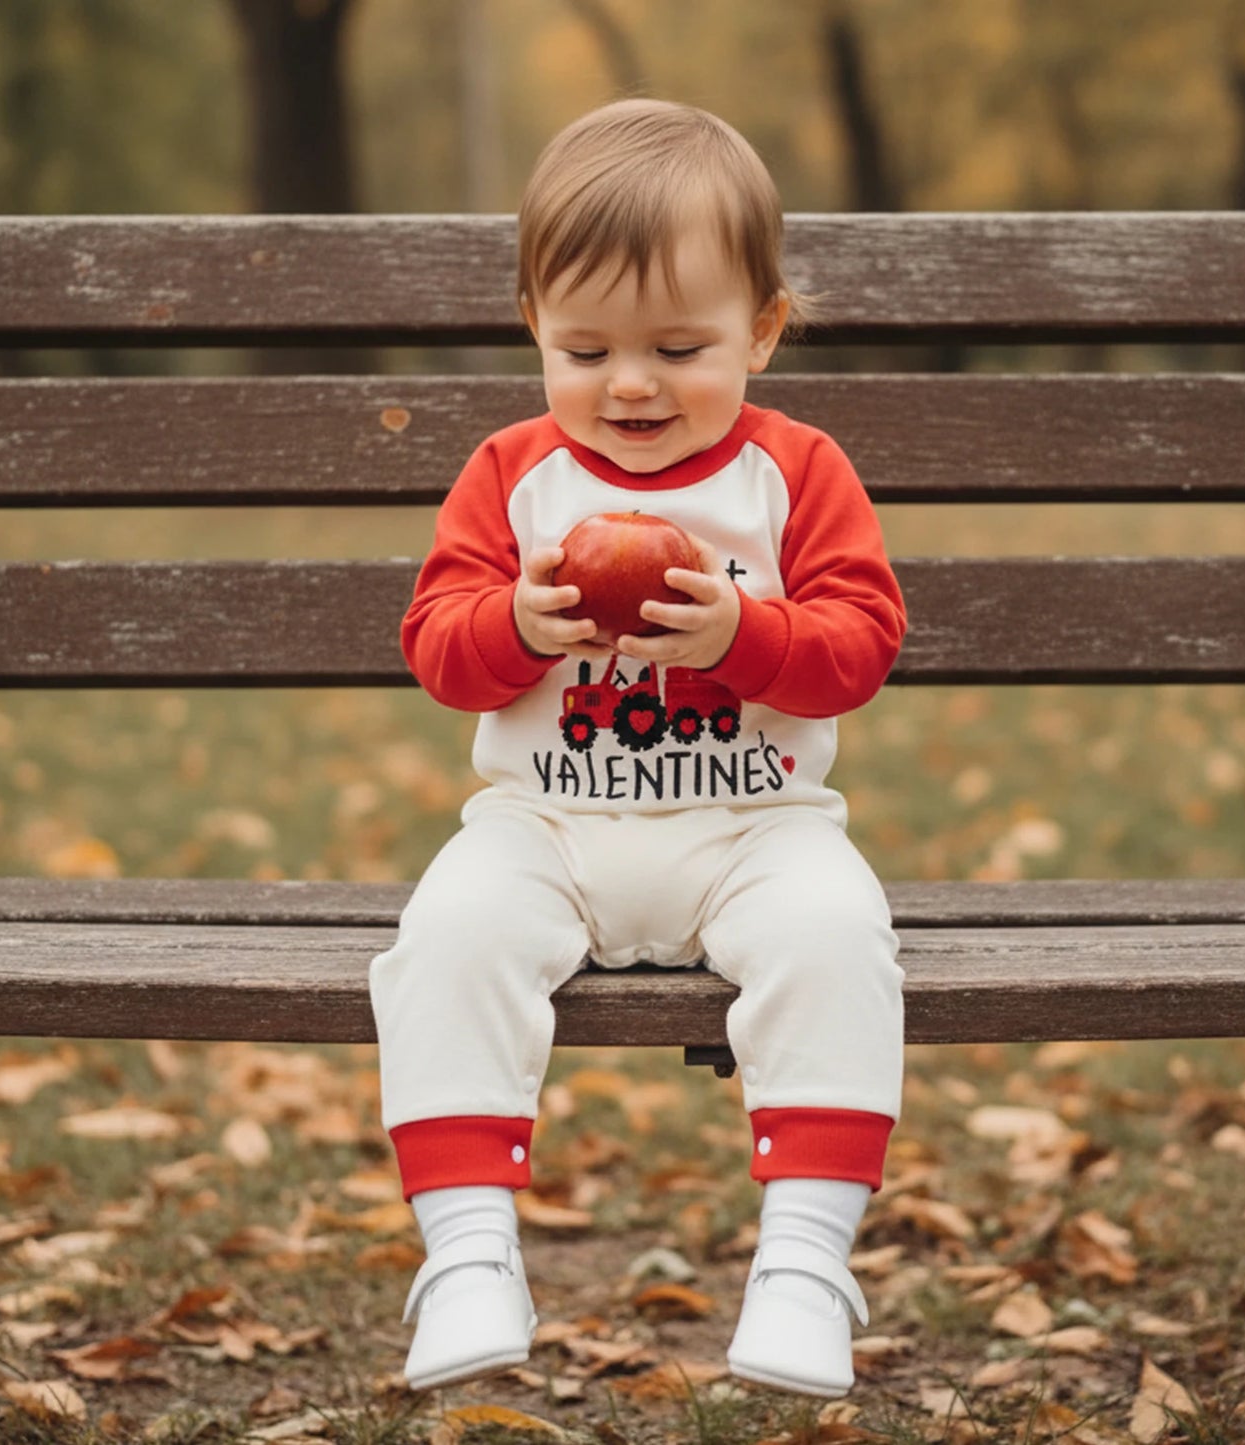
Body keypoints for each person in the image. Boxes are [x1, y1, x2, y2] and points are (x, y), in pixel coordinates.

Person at [370, 98, 907, 1400]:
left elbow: (861, 642)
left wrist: (743, 634)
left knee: (837, 937)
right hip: (544, 827)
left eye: (678, 347)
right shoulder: (513, 476)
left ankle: (806, 1262)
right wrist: (514, 624)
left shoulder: (794, 474)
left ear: (761, 330)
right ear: (533, 328)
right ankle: (466, 1255)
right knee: (445, 939)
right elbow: (437, 646)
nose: (629, 383)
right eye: (585, 348)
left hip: (755, 827)